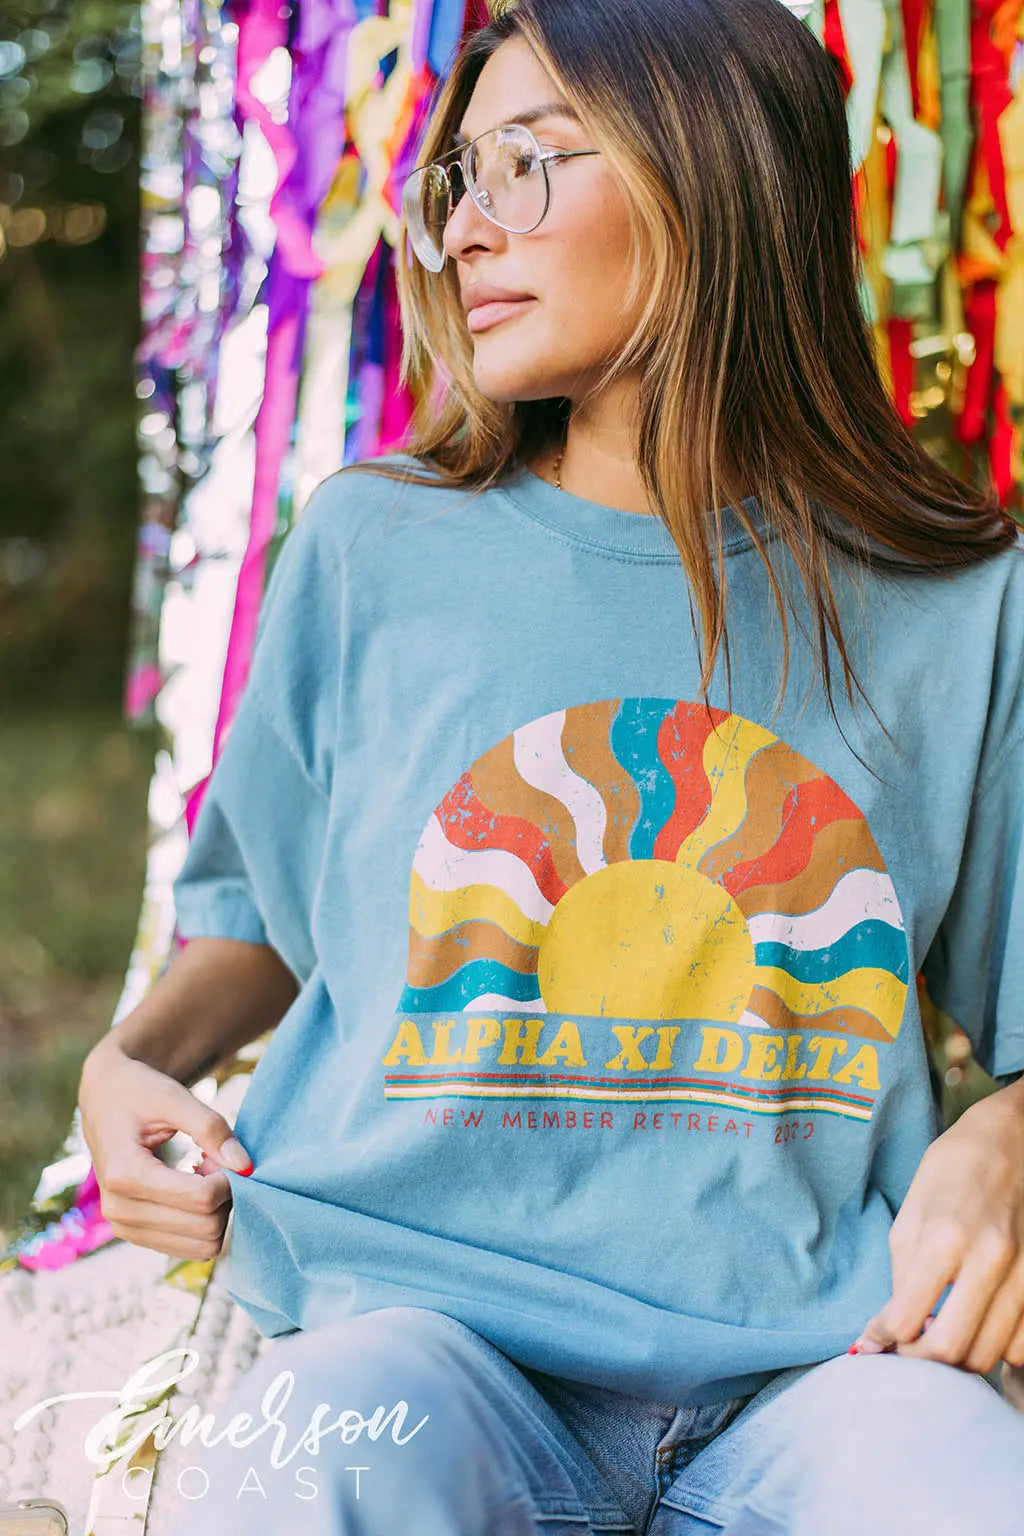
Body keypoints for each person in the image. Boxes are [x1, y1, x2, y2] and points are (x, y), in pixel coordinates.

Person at [77, 0, 1024, 1531]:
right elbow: (257, 915)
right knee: (297, 1473)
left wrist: (1010, 1132)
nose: (466, 229)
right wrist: (130, 1060)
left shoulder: (960, 599)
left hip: (830, 1361)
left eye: (532, 162)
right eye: (459, 179)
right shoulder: (373, 545)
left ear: (712, 172)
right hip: (414, 1329)